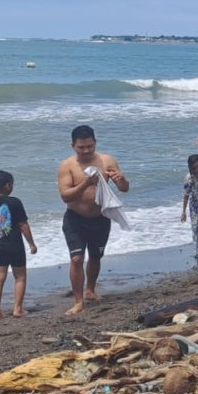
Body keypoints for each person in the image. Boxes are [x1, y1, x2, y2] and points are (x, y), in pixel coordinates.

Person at [57, 125, 129, 316]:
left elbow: (123, 188)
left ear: (95, 142)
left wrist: (121, 179)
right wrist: (86, 183)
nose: (87, 150)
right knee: (76, 258)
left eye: (90, 146)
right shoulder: (67, 166)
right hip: (75, 218)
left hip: (100, 217)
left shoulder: (106, 161)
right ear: (73, 146)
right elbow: (65, 196)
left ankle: (91, 290)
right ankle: (78, 301)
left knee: (96, 257)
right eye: (82, 147)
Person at [0, 170, 37, 320]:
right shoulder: (14, 202)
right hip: (15, 246)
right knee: (20, 277)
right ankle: (18, 309)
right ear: (7, 185)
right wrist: (31, 244)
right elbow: (23, 225)